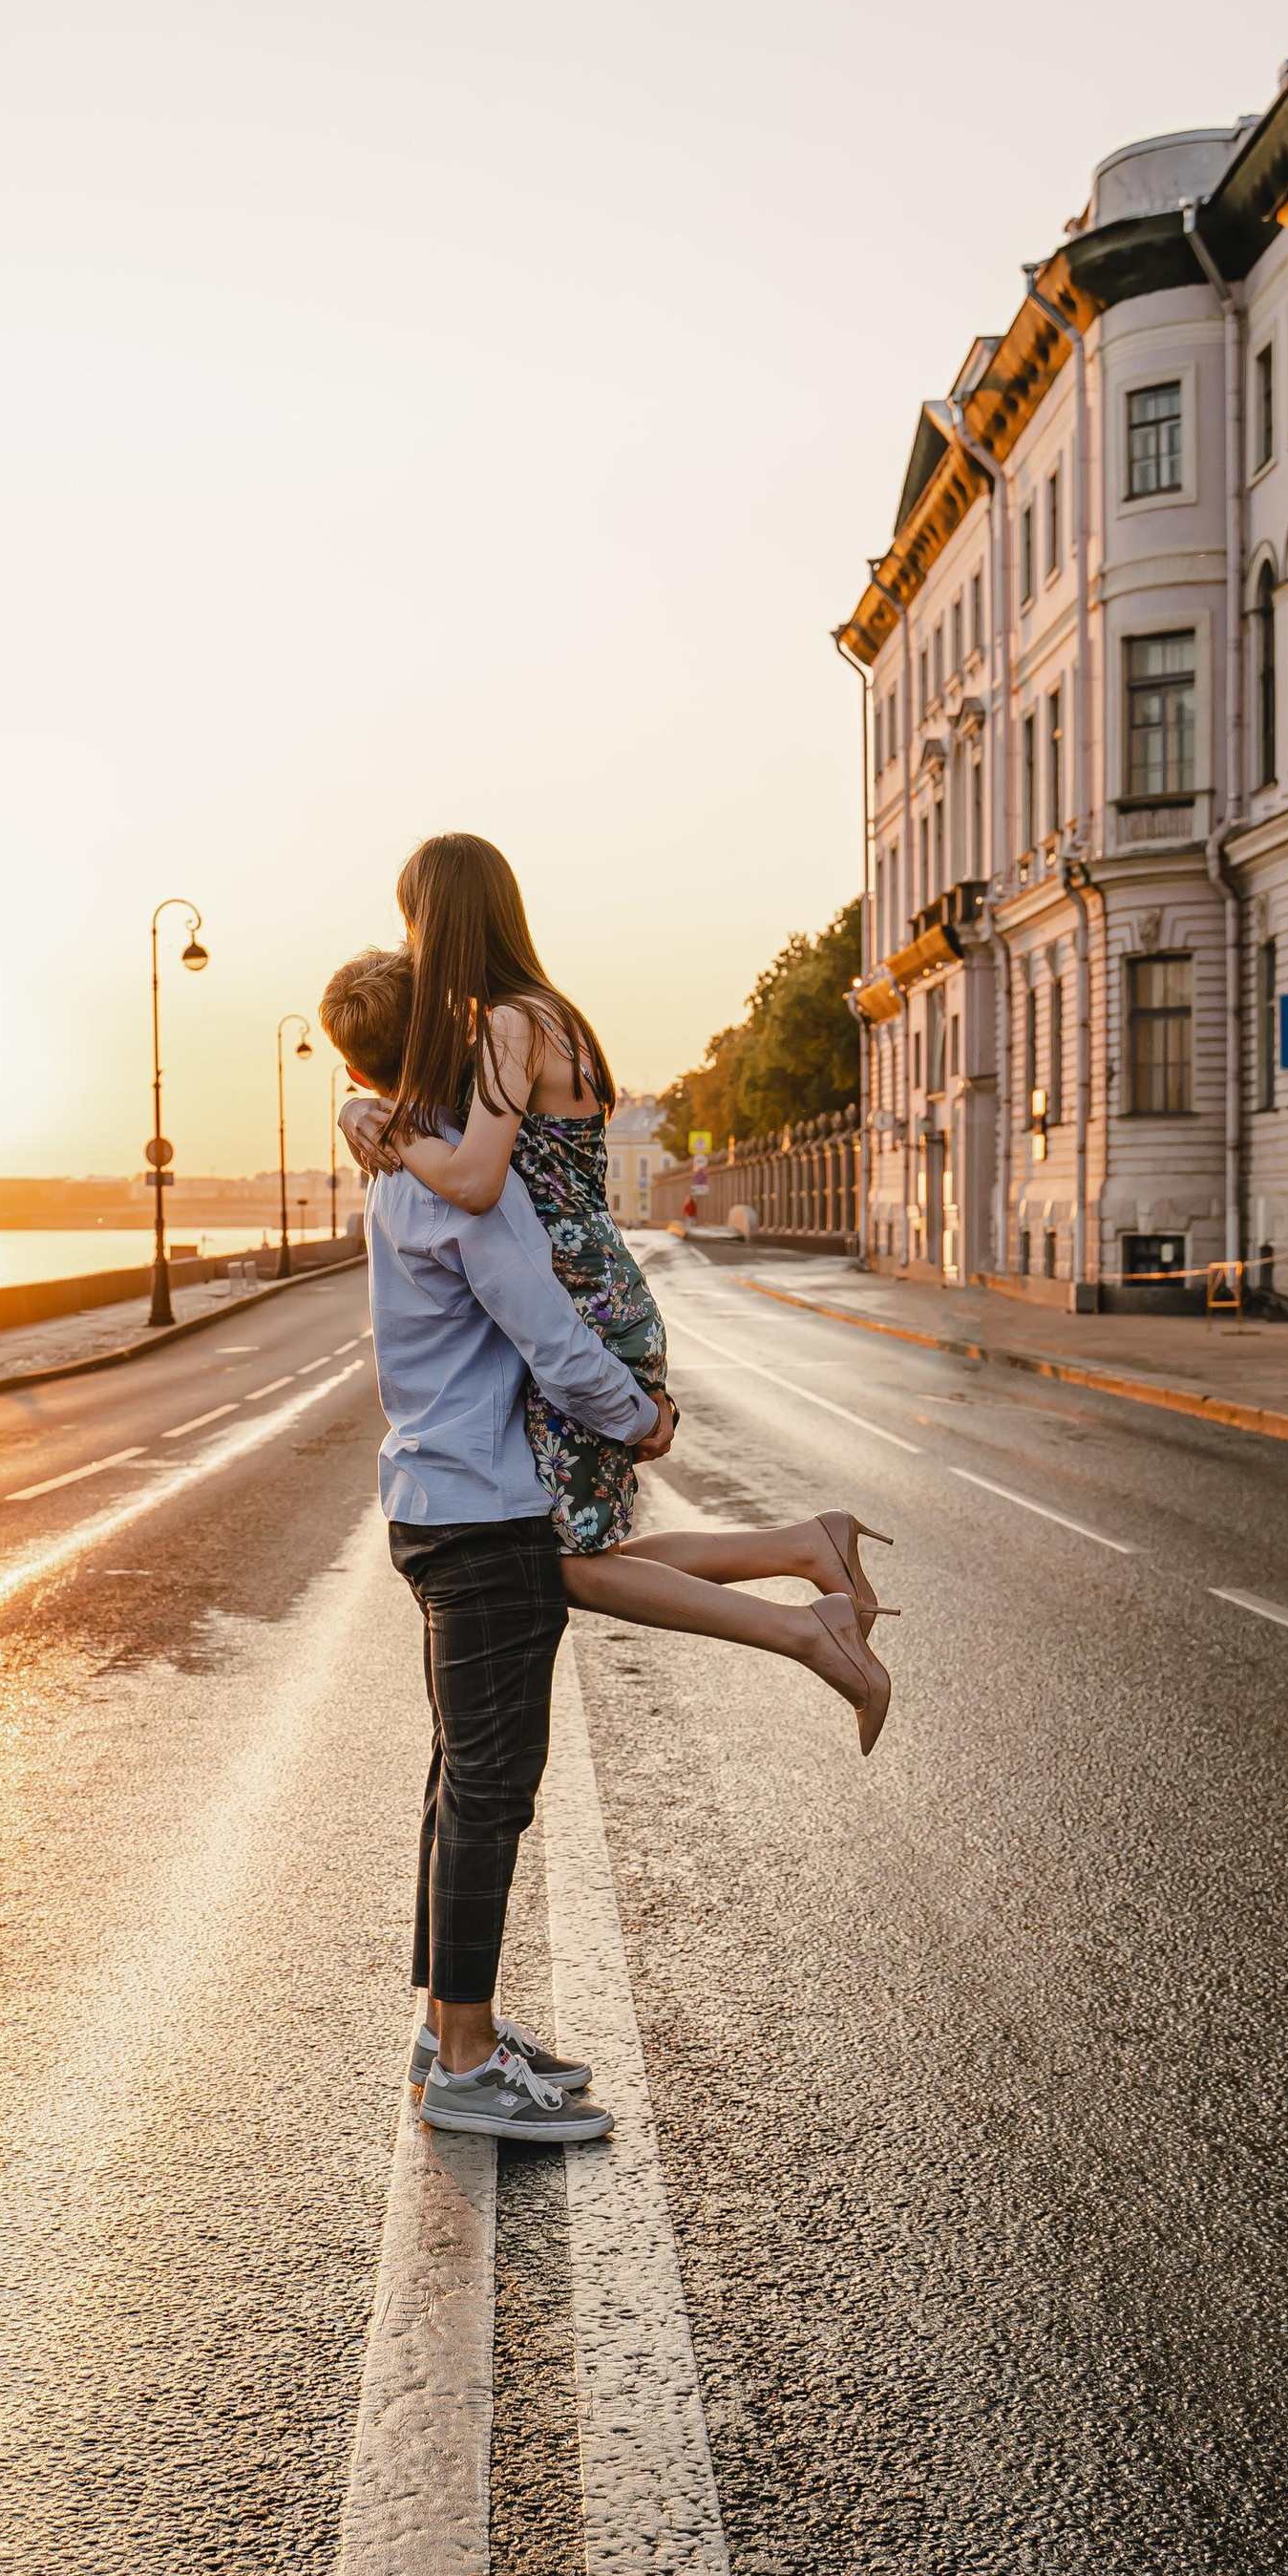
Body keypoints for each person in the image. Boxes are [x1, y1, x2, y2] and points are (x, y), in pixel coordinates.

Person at [337, 836, 894, 1752]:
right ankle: (808, 1550)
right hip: (602, 1285)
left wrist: (382, 1122)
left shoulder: (511, 1024)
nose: (411, 942)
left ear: (438, 920)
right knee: (571, 1556)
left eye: (413, 920)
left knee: (564, 1565)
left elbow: (474, 1182)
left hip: (586, 1303)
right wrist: (368, 1106)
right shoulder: (548, 1012)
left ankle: (808, 1624)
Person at [322, 943, 697, 2147]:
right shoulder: (457, 1182)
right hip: (486, 1510)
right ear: (443, 1036)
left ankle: (450, 2025)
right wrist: (640, 1419)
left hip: (431, 1499)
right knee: (489, 1791)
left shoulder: (394, 1167)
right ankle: (469, 2064)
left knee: (456, 1783)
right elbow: (549, 1334)